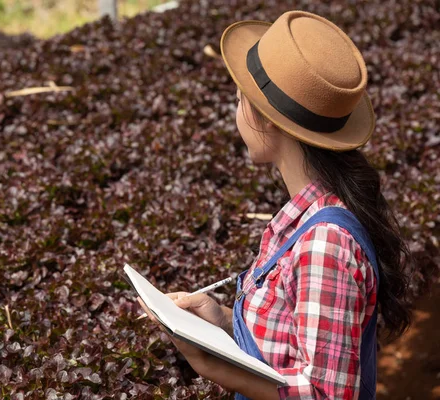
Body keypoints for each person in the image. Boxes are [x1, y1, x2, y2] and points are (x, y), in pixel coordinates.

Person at [137, 10, 412, 400]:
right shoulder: (308, 217)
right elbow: (293, 351)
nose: (235, 114)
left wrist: (214, 367)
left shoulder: (323, 245)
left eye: (238, 100)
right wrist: (223, 327)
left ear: (263, 119)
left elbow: (326, 394)